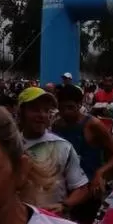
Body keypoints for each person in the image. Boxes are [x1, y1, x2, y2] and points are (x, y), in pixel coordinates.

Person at [52, 84, 113, 224]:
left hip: (90, 191)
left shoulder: (93, 125)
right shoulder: (57, 126)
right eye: (62, 108)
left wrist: (100, 173)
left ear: (80, 104)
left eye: (71, 107)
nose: (66, 112)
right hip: (65, 190)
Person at [16, 87, 90, 216]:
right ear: (21, 112)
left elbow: (81, 188)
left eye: (46, 110)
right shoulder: (9, 147)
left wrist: (64, 205)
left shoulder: (62, 147)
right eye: (35, 110)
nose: (42, 115)